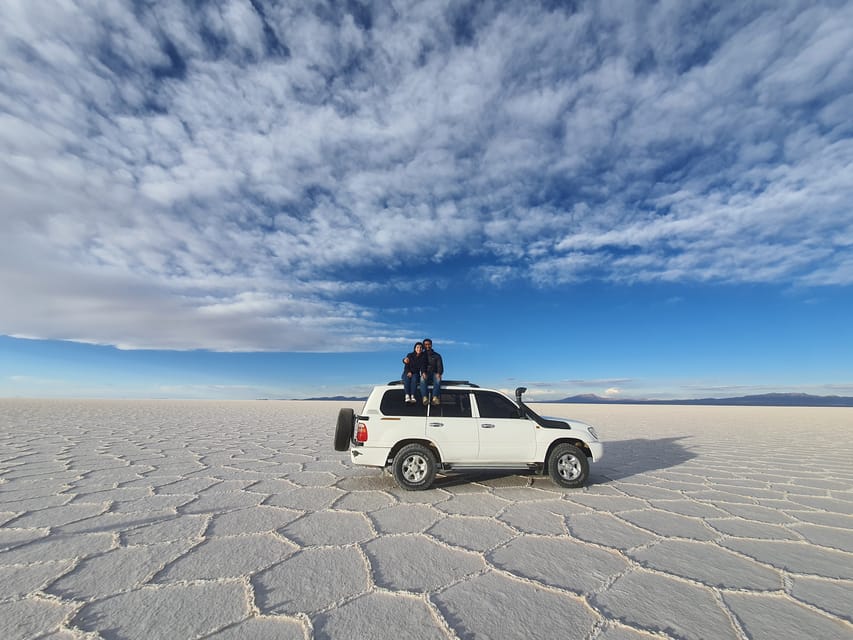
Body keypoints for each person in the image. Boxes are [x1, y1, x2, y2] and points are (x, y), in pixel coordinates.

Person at [421, 338, 443, 405]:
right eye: (425, 344)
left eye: (429, 344)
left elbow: (440, 365)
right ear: (423, 345)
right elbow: (421, 364)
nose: (427, 346)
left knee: (438, 379)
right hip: (426, 373)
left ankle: (435, 397)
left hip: (434, 373)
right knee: (422, 379)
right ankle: (424, 397)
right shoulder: (421, 355)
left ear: (431, 345)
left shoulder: (437, 355)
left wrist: (439, 373)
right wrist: (423, 372)